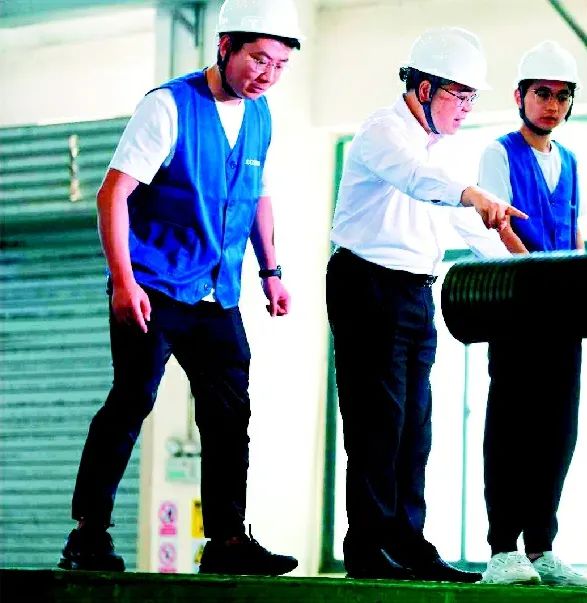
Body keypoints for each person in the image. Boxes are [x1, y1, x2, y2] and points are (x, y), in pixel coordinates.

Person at [58, 0, 302, 576]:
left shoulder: (260, 115)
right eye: (258, 59)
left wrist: (271, 272)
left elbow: (258, 195)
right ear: (225, 47)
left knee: (229, 415)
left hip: (218, 294)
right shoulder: (168, 106)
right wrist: (123, 282)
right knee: (131, 401)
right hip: (155, 286)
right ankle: (87, 534)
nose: (267, 75)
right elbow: (113, 195)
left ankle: (226, 541)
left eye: (279, 65)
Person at [327, 27, 526, 582]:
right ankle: (369, 548)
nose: (465, 108)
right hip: (367, 283)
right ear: (422, 88)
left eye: (472, 98)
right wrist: (474, 194)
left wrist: (528, 267)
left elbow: (472, 226)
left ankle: (408, 543)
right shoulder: (383, 131)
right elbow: (417, 180)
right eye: (458, 96)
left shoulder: (447, 152)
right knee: (378, 423)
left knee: (415, 428)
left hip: (416, 291)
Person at [475, 41, 587, 588]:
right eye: (542, 93)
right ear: (520, 96)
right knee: (512, 428)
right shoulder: (498, 153)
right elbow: (498, 224)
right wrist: (541, 276)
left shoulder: (570, 161)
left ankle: (542, 548)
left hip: (562, 313)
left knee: (558, 431)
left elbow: (574, 231)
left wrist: (578, 284)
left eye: (562, 96)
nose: (552, 105)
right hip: (519, 309)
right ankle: (503, 549)